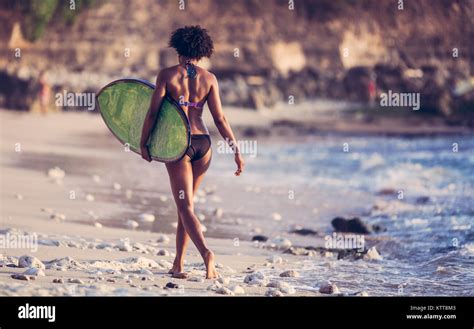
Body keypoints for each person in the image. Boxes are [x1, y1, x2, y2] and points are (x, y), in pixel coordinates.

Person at [140, 26, 244, 279]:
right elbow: (219, 118)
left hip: (179, 146)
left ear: (179, 50)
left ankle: (207, 253)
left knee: (185, 207)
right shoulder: (209, 78)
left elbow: (153, 112)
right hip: (203, 144)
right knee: (186, 208)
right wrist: (236, 149)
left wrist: (143, 143)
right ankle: (178, 264)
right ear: (201, 52)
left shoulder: (167, 75)